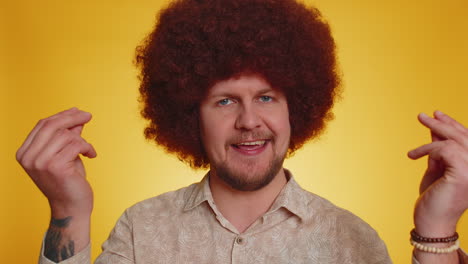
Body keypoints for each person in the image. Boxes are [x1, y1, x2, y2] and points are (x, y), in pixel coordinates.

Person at [15, 0, 468, 263]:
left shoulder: (351, 239)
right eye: (225, 100)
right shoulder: (142, 230)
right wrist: (67, 211)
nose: (250, 120)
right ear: (190, 113)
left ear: (297, 108)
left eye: (267, 97)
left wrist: (438, 228)